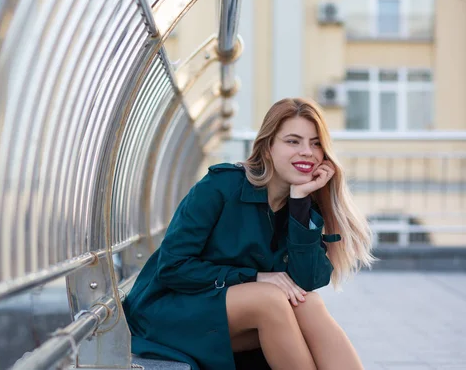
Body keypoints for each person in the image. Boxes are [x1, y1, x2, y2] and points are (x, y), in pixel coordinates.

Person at [123, 98, 375, 369]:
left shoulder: (302, 202)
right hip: (168, 311)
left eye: (315, 143)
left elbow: (308, 280)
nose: (307, 152)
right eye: (293, 141)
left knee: (307, 303)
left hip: (232, 317)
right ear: (268, 147)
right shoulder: (221, 186)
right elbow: (172, 268)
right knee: (269, 298)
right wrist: (254, 277)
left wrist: (300, 204)